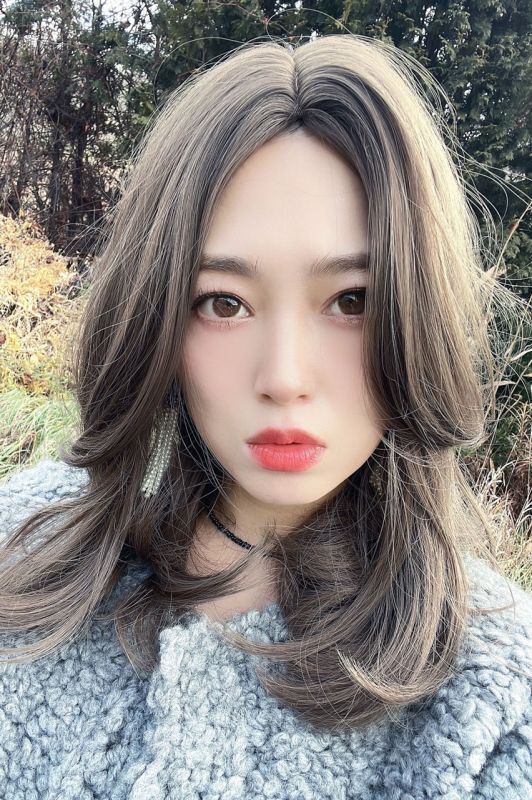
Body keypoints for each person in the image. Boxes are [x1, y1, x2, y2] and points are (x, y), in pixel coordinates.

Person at [0, 34, 530, 800]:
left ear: (418, 316)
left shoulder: (497, 701)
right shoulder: (22, 553)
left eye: (352, 301)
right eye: (224, 303)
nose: (283, 378)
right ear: (156, 318)